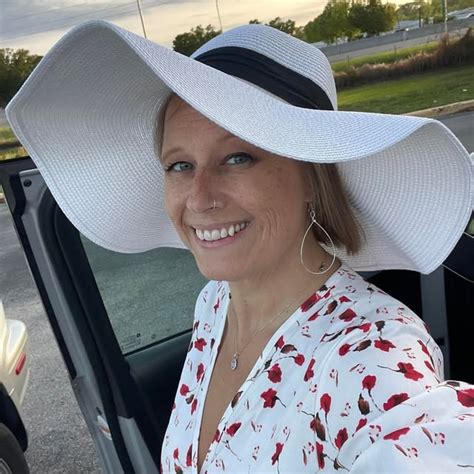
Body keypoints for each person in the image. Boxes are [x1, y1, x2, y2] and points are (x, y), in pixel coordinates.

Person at [6, 20, 473, 473]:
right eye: (180, 165)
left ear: (313, 176)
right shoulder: (214, 304)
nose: (199, 198)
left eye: (237, 157)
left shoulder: (372, 353)